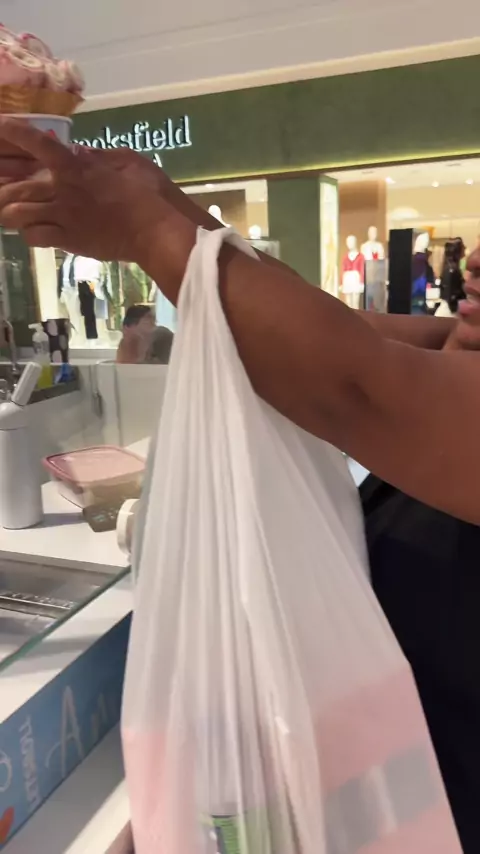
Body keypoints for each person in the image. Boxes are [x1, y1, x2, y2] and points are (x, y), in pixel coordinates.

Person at [1, 120, 480, 847]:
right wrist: (161, 200)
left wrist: (147, 229)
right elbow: (328, 330)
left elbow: (352, 381)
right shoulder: (456, 351)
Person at [438, 236, 466, 315]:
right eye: (463, 247)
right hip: (449, 311)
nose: (465, 249)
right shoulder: (452, 270)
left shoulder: (449, 268)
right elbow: (452, 295)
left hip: (447, 309)